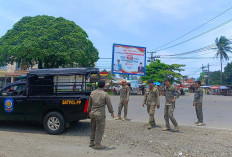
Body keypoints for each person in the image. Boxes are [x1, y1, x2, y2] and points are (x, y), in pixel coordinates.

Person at [87, 80, 114, 149]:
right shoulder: (105, 94)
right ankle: (97, 144)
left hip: (92, 113)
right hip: (100, 114)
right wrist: (112, 113)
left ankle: (91, 142)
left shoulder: (92, 93)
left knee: (93, 128)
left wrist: (88, 111)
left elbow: (89, 104)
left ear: (97, 85)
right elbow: (109, 105)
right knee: (100, 129)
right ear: (104, 86)